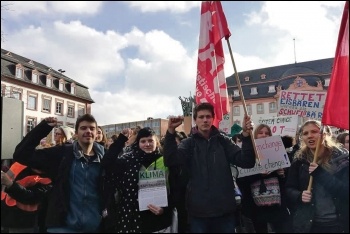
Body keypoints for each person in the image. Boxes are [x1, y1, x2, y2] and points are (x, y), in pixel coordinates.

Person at [163, 102, 256, 233]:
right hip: (198, 213)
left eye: (208, 116)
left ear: (213, 118)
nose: (205, 120)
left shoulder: (223, 141)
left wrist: (246, 136)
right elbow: (170, 160)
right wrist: (170, 132)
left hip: (224, 211)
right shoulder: (189, 143)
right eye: (201, 117)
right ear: (195, 120)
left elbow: (246, 161)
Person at [12, 114, 105, 233]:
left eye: (92, 128)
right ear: (76, 133)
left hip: (93, 227)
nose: (88, 131)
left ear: (97, 132)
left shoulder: (105, 159)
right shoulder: (61, 154)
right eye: (83, 128)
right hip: (62, 227)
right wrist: (43, 128)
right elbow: (22, 154)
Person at [102, 127, 173, 233]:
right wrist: (121, 140)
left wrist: (164, 209)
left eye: (150, 141)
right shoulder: (128, 160)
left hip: (156, 222)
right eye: (143, 141)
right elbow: (107, 163)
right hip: (129, 219)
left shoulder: (164, 161)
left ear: (156, 142)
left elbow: (174, 190)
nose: (147, 144)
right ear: (138, 143)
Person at [285, 120, 349, 233]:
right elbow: (289, 188)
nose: (310, 136)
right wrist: (299, 195)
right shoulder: (299, 161)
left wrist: (320, 174)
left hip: (338, 223)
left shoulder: (341, 159)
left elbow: (345, 191)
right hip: (310, 224)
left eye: (314, 131)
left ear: (324, 134)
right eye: (305, 133)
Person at [236, 124, 291, 233]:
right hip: (257, 208)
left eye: (267, 133)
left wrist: (282, 174)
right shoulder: (247, 155)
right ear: (254, 136)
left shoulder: (278, 152)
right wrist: (260, 174)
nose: (264, 135)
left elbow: (287, 182)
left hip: (276, 207)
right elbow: (242, 180)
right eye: (260, 133)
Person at [1, 163, 52, 233]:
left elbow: (33, 197)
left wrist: (10, 184)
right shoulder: (19, 163)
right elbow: (9, 177)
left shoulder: (50, 174)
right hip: (4, 217)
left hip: (23, 224)